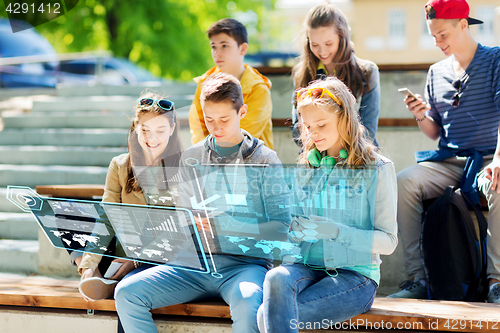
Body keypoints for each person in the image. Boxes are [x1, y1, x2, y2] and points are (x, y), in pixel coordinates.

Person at [114, 73, 290, 333]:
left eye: (224, 120)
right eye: (209, 120)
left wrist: (230, 226)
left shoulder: (265, 160)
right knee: (127, 292)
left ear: (242, 112)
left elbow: (282, 228)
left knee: (247, 301)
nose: (216, 128)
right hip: (193, 265)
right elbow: (184, 222)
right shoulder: (192, 157)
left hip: (245, 267)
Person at [257, 77, 398, 332]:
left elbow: (389, 242)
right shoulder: (306, 166)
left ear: (345, 119)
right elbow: (291, 234)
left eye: (321, 124)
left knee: (265, 317)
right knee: (275, 276)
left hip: (355, 277)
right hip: (305, 269)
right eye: (308, 126)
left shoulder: (378, 168)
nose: (313, 133)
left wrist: (336, 231)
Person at [388, 0, 500, 304]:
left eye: (443, 35)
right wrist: (421, 114)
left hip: (490, 156)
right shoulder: (436, 72)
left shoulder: (495, 60)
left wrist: (499, 159)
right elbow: (435, 131)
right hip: (449, 159)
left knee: (499, 185)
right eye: (433, 36)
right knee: (403, 181)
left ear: (464, 24)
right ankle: (417, 279)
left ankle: (495, 281)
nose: (437, 43)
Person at [76, 92, 182, 301]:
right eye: (145, 130)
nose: (152, 138)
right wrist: (89, 265)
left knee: (129, 288)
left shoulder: (184, 167)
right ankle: (94, 277)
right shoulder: (120, 165)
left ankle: (112, 284)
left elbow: (180, 228)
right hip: (123, 252)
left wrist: (137, 260)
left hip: (162, 256)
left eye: (160, 130)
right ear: (136, 128)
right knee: (69, 218)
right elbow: (107, 216)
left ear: (171, 129)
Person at [291, 1, 380, 147]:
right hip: (316, 157)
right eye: (315, 45)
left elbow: (368, 131)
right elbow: (298, 129)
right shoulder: (302, 74)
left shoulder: (367, 72)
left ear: (342, 38)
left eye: (328, 44)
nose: (322, 52)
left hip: (358, 156)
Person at [188, 18, 274, 149]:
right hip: (211, 160)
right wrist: (204, 156)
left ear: (243, 49)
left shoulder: (258, 88)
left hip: (253, 163)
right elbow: (197, 125)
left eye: (224, 45)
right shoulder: (204, 83)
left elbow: (243, 135)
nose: (217, 52)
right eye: (213, 46)